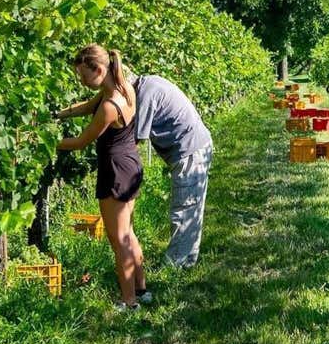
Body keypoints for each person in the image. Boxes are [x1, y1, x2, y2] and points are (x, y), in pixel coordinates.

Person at [55, 44, 147, 311]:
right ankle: (141, 290)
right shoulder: (122, 88)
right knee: (128, 232)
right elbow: (86, 106)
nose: (82, 82)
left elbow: (81, 141)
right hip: (130, 164)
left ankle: (128, 302)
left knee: (118, 240)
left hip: (115, 170)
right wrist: (61, 114)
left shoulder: (109, 105)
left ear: (99, 69)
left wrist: (49, 142)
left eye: (84, 76)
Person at [129, 72, 213, 269]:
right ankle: (187, 259)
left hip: (190, 151)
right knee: (191, 206)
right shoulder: (148, 83)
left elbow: (134, 141)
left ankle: (174, 265)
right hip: (195, 146)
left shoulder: (145, 96)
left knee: (184, 210)